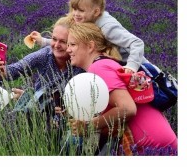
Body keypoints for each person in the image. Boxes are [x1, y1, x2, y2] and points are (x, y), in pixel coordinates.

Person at [66, 22, 177, 154]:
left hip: (151, 145)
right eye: (67, 45)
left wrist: (88, 126)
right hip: (158, 141)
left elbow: (127, 109)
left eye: (72, 45)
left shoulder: (99, 67)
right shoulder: (107, 63)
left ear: (90, 46)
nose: (68, 50)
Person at [32, 0, 147, 73]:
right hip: (115, 65)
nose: (75, 14)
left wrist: (131, 66)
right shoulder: (85, 19)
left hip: (138, 67)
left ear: (96, 11)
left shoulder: (107, 27)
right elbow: (69, 42)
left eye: (81, 10)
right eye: (74, 9)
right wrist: (43, 41)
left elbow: (137, 43)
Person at [0, 16, 83, 100]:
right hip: (40, 112)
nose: (56, 45)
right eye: (54, 39)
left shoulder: (82, 63)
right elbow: (17, 68)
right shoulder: (45, 55)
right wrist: (1, 70)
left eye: (63, 41)